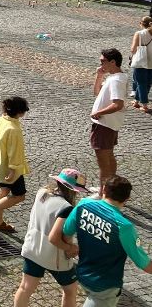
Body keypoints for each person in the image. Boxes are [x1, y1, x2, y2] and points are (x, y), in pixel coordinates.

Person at [60, 175, 152, 306]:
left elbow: (66, 232)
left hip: (83, 274)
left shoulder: (83, 205)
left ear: (103, 190)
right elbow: (143, 263)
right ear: (127, 199)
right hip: (105, 287)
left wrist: (71, 248)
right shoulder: (124, 226)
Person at [14, 168, 89, 307]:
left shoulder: (42, 193)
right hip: (54, 257)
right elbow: (54, 238)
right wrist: (71, 248)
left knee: (25, 288)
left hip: (32, 248)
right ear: (73, 190)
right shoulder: (66, 208)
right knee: (70, 290)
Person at [0, 97, 31, 233]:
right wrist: (13, 170)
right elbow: (14, 152)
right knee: (19, 196)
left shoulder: (1, 120)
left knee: (3, 190)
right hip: (9, 168)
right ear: (20, 112)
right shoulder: (13, 129)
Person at [90, 48, 127, 184]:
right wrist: (99, 76)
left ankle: (102, 193)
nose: (100, 65)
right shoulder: (114, 77)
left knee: (103, 162)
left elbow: (118, 104)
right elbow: (97, 92)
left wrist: (98, 113)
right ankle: (111, 188)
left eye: (103, 62)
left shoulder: (116, 80)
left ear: (112, 62)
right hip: (108, 124)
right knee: (109, 157)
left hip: (104, 124)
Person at [130, 16, 152, 113]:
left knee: (141, 83)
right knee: (147, 83)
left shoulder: (139, 33)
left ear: (141, 23)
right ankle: (136, 101)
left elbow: (133, 49)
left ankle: (145, 105)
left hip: (141, 61)